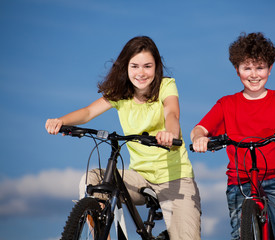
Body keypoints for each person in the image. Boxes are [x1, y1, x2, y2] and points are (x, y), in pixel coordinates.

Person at [45, 36, 201, 240]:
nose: (141, 73)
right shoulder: (120, 93)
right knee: (92, 179)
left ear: (157, 67)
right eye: (134, 66)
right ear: (125, 67)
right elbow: (88, 112)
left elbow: (172, 113)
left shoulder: (166, 86)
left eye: (147, 66)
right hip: (140, 177)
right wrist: (60, 121)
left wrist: (170, 133)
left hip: (174, 178)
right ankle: (102, 235)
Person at [191, 32, 275, 240]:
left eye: (260, 67)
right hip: (241, 181)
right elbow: (199, 128)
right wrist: (199, 138)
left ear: (270, 68)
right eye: (246, 68)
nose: (254, 74)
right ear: (237, 70)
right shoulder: (227, 104)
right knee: (241, 234)